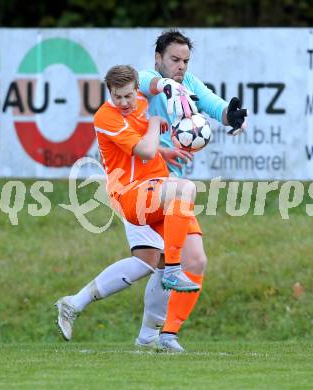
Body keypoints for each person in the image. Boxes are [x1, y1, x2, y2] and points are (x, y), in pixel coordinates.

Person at [55, 64, 204, 342]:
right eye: (117, 96)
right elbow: (144, 147)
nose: (123, 102)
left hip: (155, 187)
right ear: (109, 93)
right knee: (183, 191)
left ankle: (148, 335)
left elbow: (147, 145)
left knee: (166, 259)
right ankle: (172, 273)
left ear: (136, 90)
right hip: (131, 193)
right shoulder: (105, 117)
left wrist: (165, 151)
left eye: (128, 96)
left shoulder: (142, 102)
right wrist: (152, 126)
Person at [129, 30, 248, 352]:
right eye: (174, 60)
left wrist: (231, 116)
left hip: (174, 191)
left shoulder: (191, 84)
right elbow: (142, 82)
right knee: (159, 261)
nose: (180, 67)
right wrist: (165, 84)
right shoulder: (147, 79)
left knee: (192, 261)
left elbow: (214, 104)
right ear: (159, 58)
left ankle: (164, 336)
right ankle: (83, 303)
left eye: (185, 61)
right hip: (147, 184)